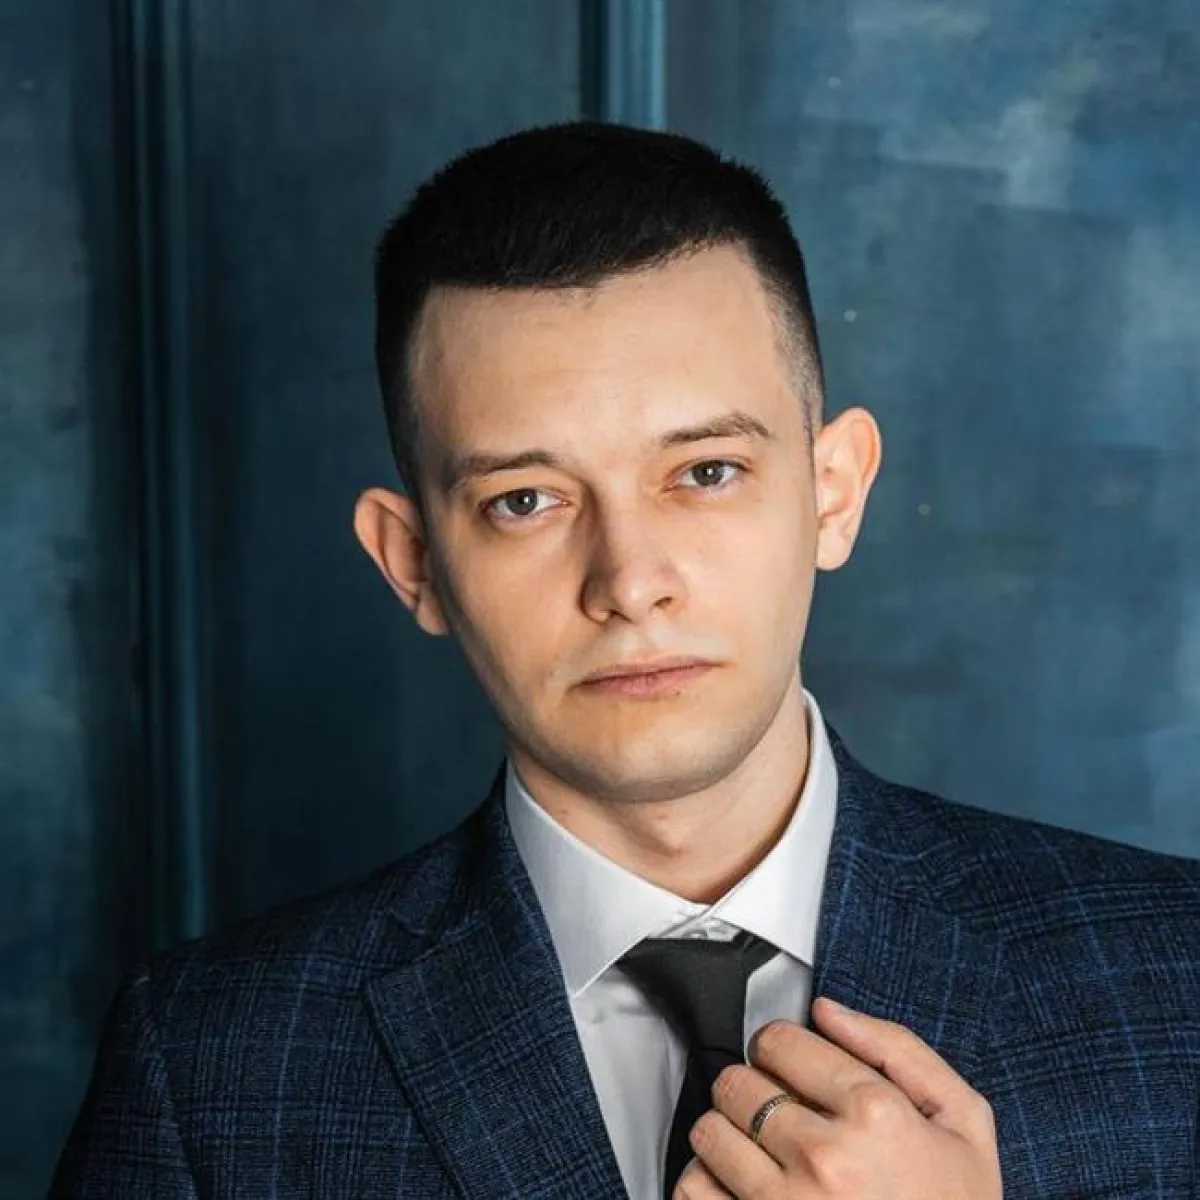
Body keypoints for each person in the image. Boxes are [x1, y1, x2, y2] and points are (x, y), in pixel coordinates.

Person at [52, 122, 1199, 1200]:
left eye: (705, 473)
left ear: (833, 494)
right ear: (414, 564)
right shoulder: (206, 1067)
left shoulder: (1175, 974)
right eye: (525, 500)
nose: (630, 581)